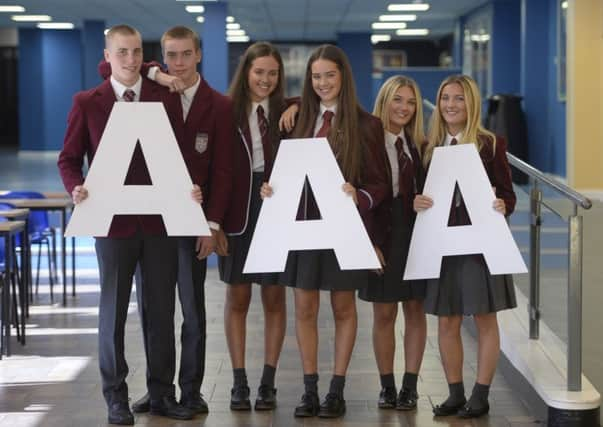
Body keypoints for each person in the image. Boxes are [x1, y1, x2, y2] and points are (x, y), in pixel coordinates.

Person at [58, 24, 200, 425]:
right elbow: (68, 159)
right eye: (121, 52)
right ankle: (115, 396)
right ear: (107, 56)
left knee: (160, 312)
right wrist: (76, 187)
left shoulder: (163, 97)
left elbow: (179, 155)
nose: (131, 60)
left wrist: (189, 191)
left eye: (137, 51)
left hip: (158, 223)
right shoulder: (88, 102)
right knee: (113, 313)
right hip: (112, 224)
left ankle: (161, 394)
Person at [100, 26, 234, 416]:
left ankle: (190, 390)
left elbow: (224, 170)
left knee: (192, 311)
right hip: (152, 220)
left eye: (185, 55)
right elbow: (109, 67)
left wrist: (212, 223)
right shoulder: (155, 91)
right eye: (170, 56)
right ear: (162, 58)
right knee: (154, 310)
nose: (178, 63)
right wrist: (154, 73)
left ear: (199, 56)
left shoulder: (220, 105)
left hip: (193, 221)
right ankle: (159, 392)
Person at [261, 44, 389, 419]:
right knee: (304, 307)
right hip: (302, 227)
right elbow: (280, 169)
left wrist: (359, 196)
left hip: (344, 227)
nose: (322, 83)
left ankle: (337, 389)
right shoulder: (297, 120)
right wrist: (271, 187)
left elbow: (381, 184)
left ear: (343, 77)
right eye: (316, 77)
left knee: (344, 307)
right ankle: (310, 389)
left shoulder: (368, 125)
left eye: (329, 75)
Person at [413, 74, 517, 418]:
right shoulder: (428, 147)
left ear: (471, 104)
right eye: (445, 98)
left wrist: (504, 204)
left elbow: (507, 192)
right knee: (447, 322)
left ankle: (481, 394)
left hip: (479, 245)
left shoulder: (490, 144)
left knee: (485, 320)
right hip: (442, 245)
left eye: (459, 98)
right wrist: (417, 203)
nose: (451, 105)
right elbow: (419, 194)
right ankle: (455, 392)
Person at [218, 42, 288, 412]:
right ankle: (239, 380)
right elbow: (217, 169)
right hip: (238, 213)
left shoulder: (290, 111)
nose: (265, 79)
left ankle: (268, 382)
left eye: (272, 73)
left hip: (276, 211)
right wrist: (215, 223)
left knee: (274, 298)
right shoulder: (227, 112)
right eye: (259, 72)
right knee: (238, 298)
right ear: (246, 72)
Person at [358, 75, 427, 411]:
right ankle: (387, 386)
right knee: (384, 313)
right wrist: (369, 242)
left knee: (415, 310)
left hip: (415, 234)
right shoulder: (366, 140)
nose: (404, 108)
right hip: (381, 235)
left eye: (411, 102)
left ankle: (410, 386)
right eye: (397, 100)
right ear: (384, 101)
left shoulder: (421, 145)